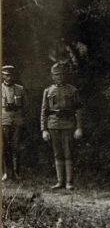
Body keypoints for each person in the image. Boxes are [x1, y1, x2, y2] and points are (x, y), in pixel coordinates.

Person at [41, 62, 83, 190]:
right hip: (53, 124)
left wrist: (79, 127)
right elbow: (44, 111)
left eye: (62, 74)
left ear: (65, 76)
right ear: (52, 76)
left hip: (68, 124)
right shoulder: (48, 91)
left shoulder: (72, 90)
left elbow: (78, 110)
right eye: (56, 74)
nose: (59, 77)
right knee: (57, 153)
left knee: (68, 153)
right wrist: (44, 129)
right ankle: (60, 182)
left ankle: (69, 182)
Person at [1, 65, 25, 181]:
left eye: (11, 75)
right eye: (7, 75)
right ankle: (6, 172)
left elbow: (26, 105)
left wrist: (21, 118)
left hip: (17, 120)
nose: (9, 78)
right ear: (3, 76)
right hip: (4, 120)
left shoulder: (20, 89)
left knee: (16, 146)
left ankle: (16, 172)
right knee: (5, 147)